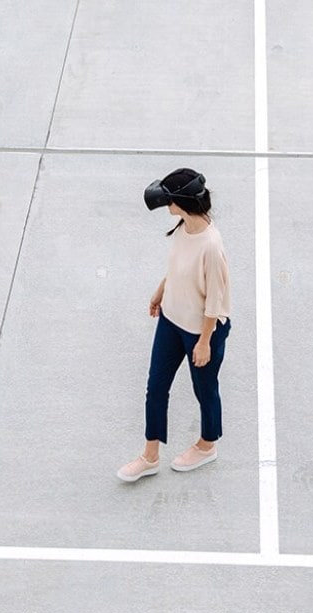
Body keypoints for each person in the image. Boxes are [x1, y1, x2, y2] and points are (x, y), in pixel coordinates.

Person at [117, 168, 231, 482]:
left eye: (170, 200)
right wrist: (160, 293)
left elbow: (215, 301)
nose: (166, 205)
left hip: (200, 330)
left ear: (182, 202)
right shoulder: (183, 226)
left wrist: (205, 341)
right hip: (171, 319)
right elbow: (178, 268)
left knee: (205, 390)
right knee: (155, 388)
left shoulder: (211, 245)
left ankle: (208, 445)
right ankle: (150, 456)